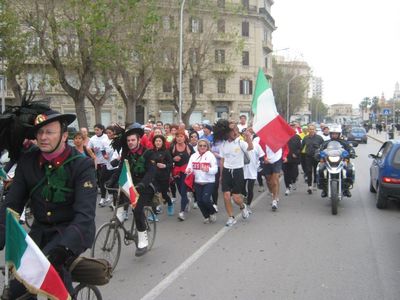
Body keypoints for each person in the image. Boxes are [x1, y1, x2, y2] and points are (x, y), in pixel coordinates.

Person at [0, 110, 97, 296]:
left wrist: (65, 247)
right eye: (40, 133)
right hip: (40, 231)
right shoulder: (28, 161)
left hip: (72, 231)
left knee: (54, 273)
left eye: (49, 132)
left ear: (64, 135)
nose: (43, 137)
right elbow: (12, 203)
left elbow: (85, 214)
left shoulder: (81, 165)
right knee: (17, 289)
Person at [109, 123, 156, 257]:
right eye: (128, 140)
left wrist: (142, 184)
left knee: (137, 210)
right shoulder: (127, 154)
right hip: (130, 185)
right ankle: (120, 216)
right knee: (118, 194)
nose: (130, 142)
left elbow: (151, 173)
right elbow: (120, 169)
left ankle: (142, 240)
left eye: (133, 140)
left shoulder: (148, 153)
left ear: (139, 140)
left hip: (144, 187)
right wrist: (111, 180)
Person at [214, 119, 252, 226]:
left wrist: (248, 137)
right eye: (233, 130)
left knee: (236, 198)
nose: (235, 132)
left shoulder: (240, 142)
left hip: (238, 171)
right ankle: (231, 217)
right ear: (227, 133)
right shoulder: (223, 144)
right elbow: (222, 160)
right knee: (226, 195)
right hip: (226, 171)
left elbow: (250, 147)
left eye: (236, 130)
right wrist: (221, 175)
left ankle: (242, 206)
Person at [317, 125, 355, 198]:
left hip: (342, 161)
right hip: (328, 161)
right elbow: (320, 149)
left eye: (336, 134)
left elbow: (350, 148)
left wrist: (352, 152)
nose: (334, 135)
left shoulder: (344, 142)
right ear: (330, 134)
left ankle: (347, 188)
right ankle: (324, 189)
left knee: (350, 169)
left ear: (339, 134)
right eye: (333, 133)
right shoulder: (326, 143)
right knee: (320, 169)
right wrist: (318, 153)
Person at [185, 139, 218, 224]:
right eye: (200, 145)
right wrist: (188, 170)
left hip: (209, 182)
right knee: (199, 201)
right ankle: (206, 216)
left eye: (204, 146)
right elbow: (189, 167)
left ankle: (212, 212)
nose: (202, 147)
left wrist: (208, 169)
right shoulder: (193, 156)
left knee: (206, 199)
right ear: (198, 146)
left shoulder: (210, 156)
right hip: (197, 182)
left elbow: (215, 169)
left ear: (207, 147)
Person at [170, 129, 195, 221]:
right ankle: (187, 201)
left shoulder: (188, 147)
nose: (179, 138)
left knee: (183, 191)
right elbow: (168, 159)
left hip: (186, 171)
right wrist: (173, 159)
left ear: (184, 137)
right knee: (180, 191)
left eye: (181, 136)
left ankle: (181, 212)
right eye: (177, 137)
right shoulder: (172, 147)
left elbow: (194, 158)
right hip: (176, 171)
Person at [149, 134, 174, 216]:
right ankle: (154, 211)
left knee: (164, 194)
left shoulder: (166, 152)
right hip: (153, 176)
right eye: (156, 141)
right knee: (154, 192)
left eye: (160, 141)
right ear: (154, 142)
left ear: (163, 142)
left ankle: (170, 203)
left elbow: (171, 164)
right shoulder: (151, 151)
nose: (158, 142)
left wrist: (165, 166)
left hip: (164, 176)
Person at [88, 123, 111, 206]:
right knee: (101, 179)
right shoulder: (92, 139)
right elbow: (88, 148)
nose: (96, 131)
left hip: (107, 162)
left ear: (102, 130)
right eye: (95, 130)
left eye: (98, 130)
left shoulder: (106, 137)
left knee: (105, 179)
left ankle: (108, 196)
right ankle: (104, 197)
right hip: (98, 162)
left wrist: (107, 156)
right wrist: (93, 156)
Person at [301, 124, 324, 194]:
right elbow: (302, 147)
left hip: (316, 157)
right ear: (308, 130)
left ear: (315, 130)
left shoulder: (319, 138)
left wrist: (322, 156)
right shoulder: (305, 138)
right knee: (309, 171)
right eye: (310, 129)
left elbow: (323, 147)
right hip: (308, 157)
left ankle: (315, 183)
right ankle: (309, 186)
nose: (311, 130)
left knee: (316, 171)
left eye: (313, 129)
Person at [282, 123, 302, 196]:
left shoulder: (297, 137)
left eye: (293, 127)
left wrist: (296, 153)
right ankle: (287, 187)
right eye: (290, 127)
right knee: (286, 174)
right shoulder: (283, 136)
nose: (291, 128)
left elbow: (300, 148)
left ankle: (293, 181)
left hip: (294, 158)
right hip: (286, 158)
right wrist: (283, 156)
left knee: (294, 173)